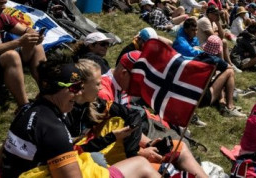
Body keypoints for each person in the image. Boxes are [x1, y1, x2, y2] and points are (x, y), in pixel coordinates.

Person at [1, 57, 158, 178]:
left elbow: (1, 160)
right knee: (140, 165)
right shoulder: (54, 129)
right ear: (56, 88)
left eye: (81, 88)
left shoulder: (26, 110)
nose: (78, 94)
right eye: (75, 88)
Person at [69, 59, 208, 178]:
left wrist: (148, 145)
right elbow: (77, 149)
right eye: (138, 77)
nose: (141, 83)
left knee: (178, 147)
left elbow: (131, 117)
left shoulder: (95, 101)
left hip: (117, 149)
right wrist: (137, 151)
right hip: (100, 158)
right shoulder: (74, 109)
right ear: (82, 86)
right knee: (152, 164)